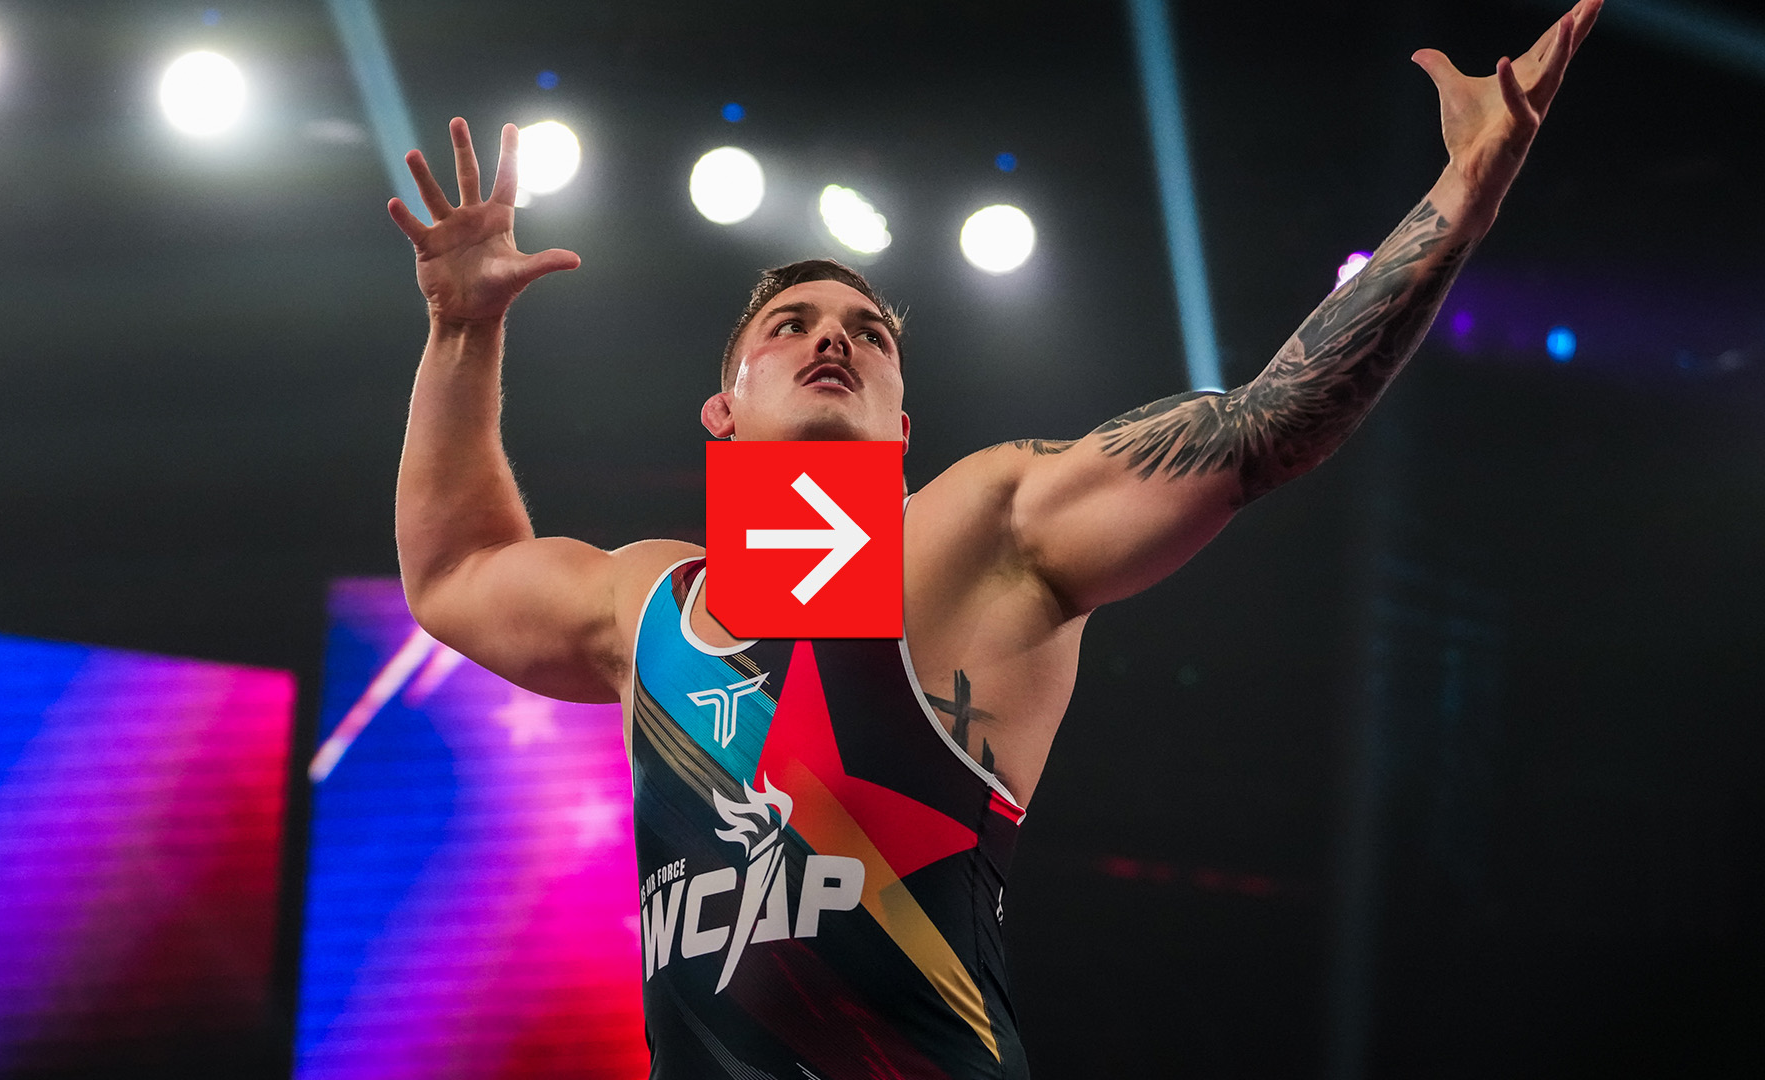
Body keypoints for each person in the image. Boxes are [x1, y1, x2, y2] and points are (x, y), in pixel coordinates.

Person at [385, 3, 1599, 1075]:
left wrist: (1460, 199)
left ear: (901, 423)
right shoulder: (647, 602)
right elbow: (454, 574)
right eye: (789, 323)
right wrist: (461, 333)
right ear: (723, 410)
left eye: (868, 332)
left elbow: (1267, 426)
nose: (831, 336)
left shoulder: (980, 528)